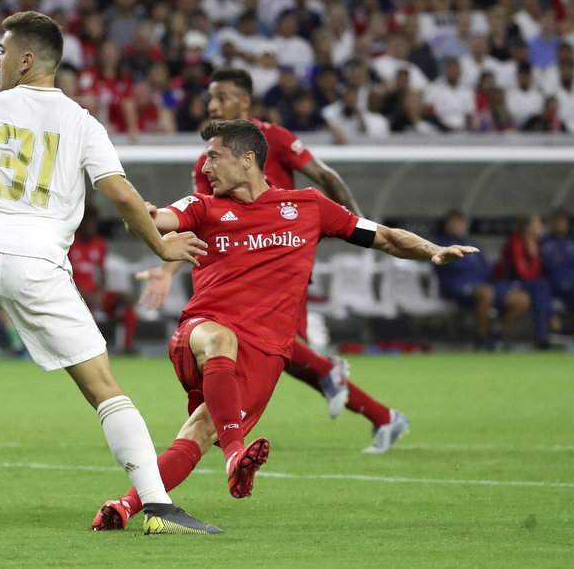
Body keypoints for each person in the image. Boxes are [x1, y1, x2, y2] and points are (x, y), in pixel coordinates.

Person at [0, 11, 221, 540]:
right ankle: (158, 507)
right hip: (39, 261)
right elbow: (123, 196)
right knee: (103, 387)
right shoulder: (82, 121)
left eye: (3, 50)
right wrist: (160, 242)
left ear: (26, 59)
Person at [92, 120, 479, 530]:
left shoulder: (308, 207)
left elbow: (382, 236)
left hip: (267, 354)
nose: (205, 167)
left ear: (248, 160)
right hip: (203, 333)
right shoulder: (202, 206)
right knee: (221, 341)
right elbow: (153, 220)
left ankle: (124, 507)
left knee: (201, 431)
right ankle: (235, 455)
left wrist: (433, 250)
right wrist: (144, 216)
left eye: (213, 156)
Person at [141, 68, 406, 454]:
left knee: (267, 345)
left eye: (222, 97)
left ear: (244, 101)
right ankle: (380, 414)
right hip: (228, 260)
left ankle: (337, 389)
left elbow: (325, 175)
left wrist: (358, 222)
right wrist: (166, 267)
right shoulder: (211, 162)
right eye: (211, 98)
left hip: (275, 252)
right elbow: (194, 222)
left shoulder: (273, 138)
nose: (212, 104)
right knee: (273, 353)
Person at [434, 209, 531, 349]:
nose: (457, 226)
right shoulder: (440, 245)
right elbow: (445, 269)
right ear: (446, 225)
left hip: (486, 286)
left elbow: (487, 270)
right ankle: (482, 338)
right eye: (453, 223)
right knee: (486, 293)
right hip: (459, 289)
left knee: (522, 299)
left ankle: (497, 336)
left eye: (459, 223)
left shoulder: (471, 244)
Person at [68, 204, 139, 355]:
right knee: (85, 304)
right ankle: (88, 349)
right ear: (81, 223)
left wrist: (100, 293)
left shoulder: (99, 244)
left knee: (126, 298)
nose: (92, 226)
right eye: (89, 221)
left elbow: (102, 275)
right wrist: (86, 294)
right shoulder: (70, 244)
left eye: (94, 222)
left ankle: (127, 346)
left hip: (95, 295)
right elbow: (67, 276)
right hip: (76, 296)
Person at [493, 213, 554, 348]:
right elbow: (521, 272)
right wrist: (533, 256)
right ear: (528, 227)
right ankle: (547, 327)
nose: (542, 228)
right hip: (507, 283)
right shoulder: (516, 241)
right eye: (538, 224)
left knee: (542, 288)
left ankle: (543, 333)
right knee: (541, 286)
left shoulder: (540, 243)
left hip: (528, 285)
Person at [541, 208, 574, 313]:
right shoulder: (545, 243)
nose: (560, 224)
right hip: (559, 286)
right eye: (557, 220)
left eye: (563, 220)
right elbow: (551, 267)